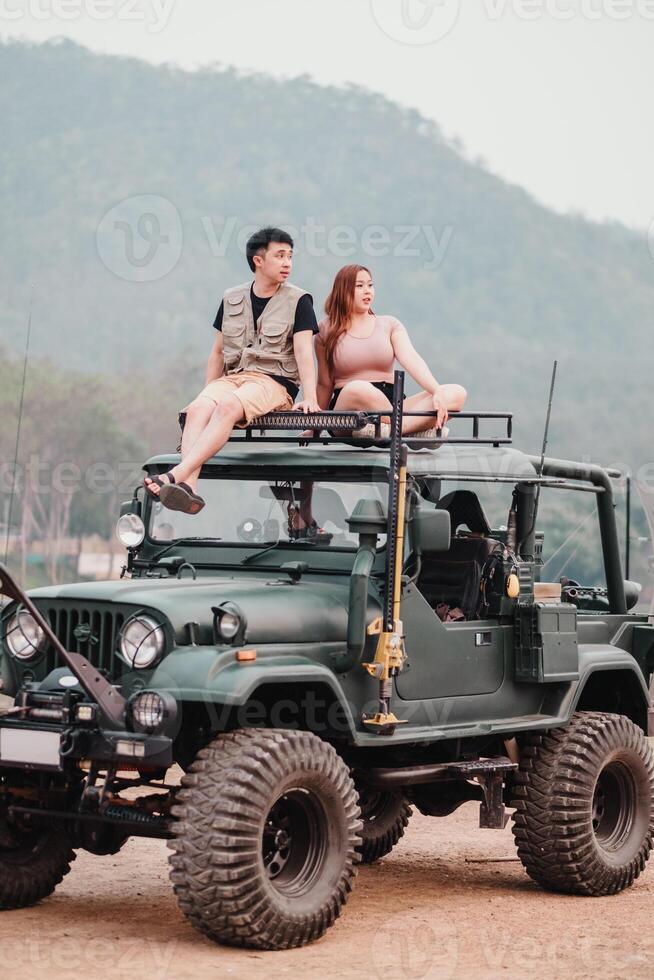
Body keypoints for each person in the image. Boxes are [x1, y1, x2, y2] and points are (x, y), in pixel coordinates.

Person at [145, 227, 320, 513]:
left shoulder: (299, 300)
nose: (287, 262)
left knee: (227, 406)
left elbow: (304, 352)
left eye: (290, 256)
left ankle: (175, 475)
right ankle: (190, 488)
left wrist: (310, 397)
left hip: (273, 382)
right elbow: (217, 351)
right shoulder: (231, 298)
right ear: (258, 261)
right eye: (280, 256)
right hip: (234, 378)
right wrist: (208, 392)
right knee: (197, 409)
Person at [315, 264, 467, 436]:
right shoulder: (326, 329)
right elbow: (324, 384)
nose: (367, 291)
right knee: (357, 388)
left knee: (456, 393)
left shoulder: (389, 324)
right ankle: (411, 429)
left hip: (392, 406)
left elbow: (411, 358)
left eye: (370, 285)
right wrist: (314, 428)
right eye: (360, 286)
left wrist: (436, 391)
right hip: (350, 409)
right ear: (343, 290)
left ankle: (392, 430)